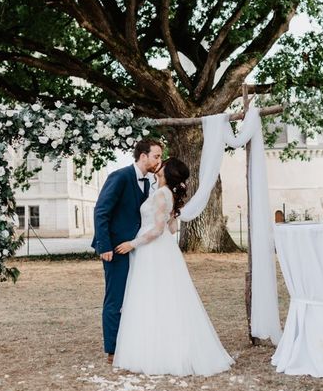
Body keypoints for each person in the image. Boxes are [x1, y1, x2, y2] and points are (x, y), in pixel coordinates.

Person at [112, 158, 234, 376]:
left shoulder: (161, 194)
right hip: (164, 250)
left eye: (164, 162)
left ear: (169, 171)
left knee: (153, 297)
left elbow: (159, 230)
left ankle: (157, 353)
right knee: (167, 297)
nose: (160, 163)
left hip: (153, 250)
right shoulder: (166, 193)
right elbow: (172, 228)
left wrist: (133, 243)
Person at [92, 138, 163, 364]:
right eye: (156, 156)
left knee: (133, 296)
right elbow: (101, 211)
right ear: (143, 156)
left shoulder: (150, 182)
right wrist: (104, 246)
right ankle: (112, 349)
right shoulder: (120, 176)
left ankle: (131, 342)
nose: (159, 160)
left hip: (136, 248)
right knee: (115, 298)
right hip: (115, 249)